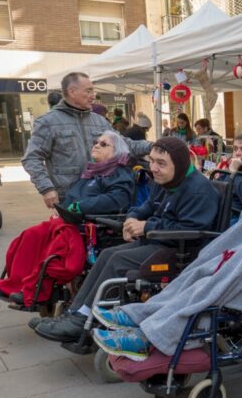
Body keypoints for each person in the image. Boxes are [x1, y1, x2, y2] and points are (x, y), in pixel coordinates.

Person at [91, 153, 242, 360]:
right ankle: (140, 315)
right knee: (195, 272)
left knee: (206, 286)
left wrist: (232, 269)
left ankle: (149, 337)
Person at [32, 138, 220, 343]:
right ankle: (76, 313)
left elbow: (191, 229)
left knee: (117, 260)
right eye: (153, 161)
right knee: (107, 254)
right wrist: (132, 218)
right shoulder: (165, 180)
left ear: (181, 164)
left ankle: (83, 319)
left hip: (183, 249)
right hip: (160, 241)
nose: (154, 168)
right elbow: (147, 206)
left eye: (161, 163)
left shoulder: (199, 190)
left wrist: (147, 227)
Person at [0, 131, 134, 307]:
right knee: (31, 235)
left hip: (90, 225)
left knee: (58, 245)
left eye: (104, 144)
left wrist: (81, 206)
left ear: (117, 152)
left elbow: (117, 199)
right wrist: (63, 209)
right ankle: (14, 285)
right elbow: (73, 198)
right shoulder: (91, 172)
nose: (96, 145)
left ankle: (36, 291)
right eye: (96, 142)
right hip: (69, 220)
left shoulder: (119, 173)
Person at [21, 72, 151, 208]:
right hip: (67, 198)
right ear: (72, 91)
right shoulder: (48, 122)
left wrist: (151, 147)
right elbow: (31, 158)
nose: (93, 95)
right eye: (88, 91)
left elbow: (124, 144)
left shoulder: (100, 121)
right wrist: (46, 188)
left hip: (99, 196)